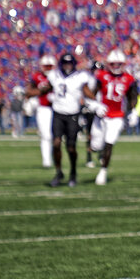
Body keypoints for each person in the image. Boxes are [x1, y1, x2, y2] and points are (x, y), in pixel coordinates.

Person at [84, 50, 138, 185]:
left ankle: (103, 171)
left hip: (117, 117)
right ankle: (99, 154)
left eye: (118, 64)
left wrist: (134, 111)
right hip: (101, 116)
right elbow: (92, 94)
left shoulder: (129, 79)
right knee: (95, 146)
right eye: (113, 64)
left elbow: (132, 97)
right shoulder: (101, 76)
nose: (116, 66)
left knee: (109, 143)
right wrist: (95, 105)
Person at [42, 52, 94, 187]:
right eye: (65, 63)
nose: (67, 66)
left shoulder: (80, 77)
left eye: (69, 63)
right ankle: (59, 172)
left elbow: (87, 91)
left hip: (73, 114)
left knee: (71, 147)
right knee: (56, 143)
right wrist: (33, 92)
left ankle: (73, 172)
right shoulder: (54, 75)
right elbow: (46, 88)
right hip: (58, 113)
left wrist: (96, 101)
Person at [24, 55, 57, 168]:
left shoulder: (58, 76)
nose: (48, 68)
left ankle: (54, 158)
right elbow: (28, 92)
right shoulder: (37, 76)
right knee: (46, 135)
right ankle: (47, 160)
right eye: (46, 66)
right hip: (43, 109)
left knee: (55, 136)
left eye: (50, 66)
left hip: (58, 108)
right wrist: (41, 91)